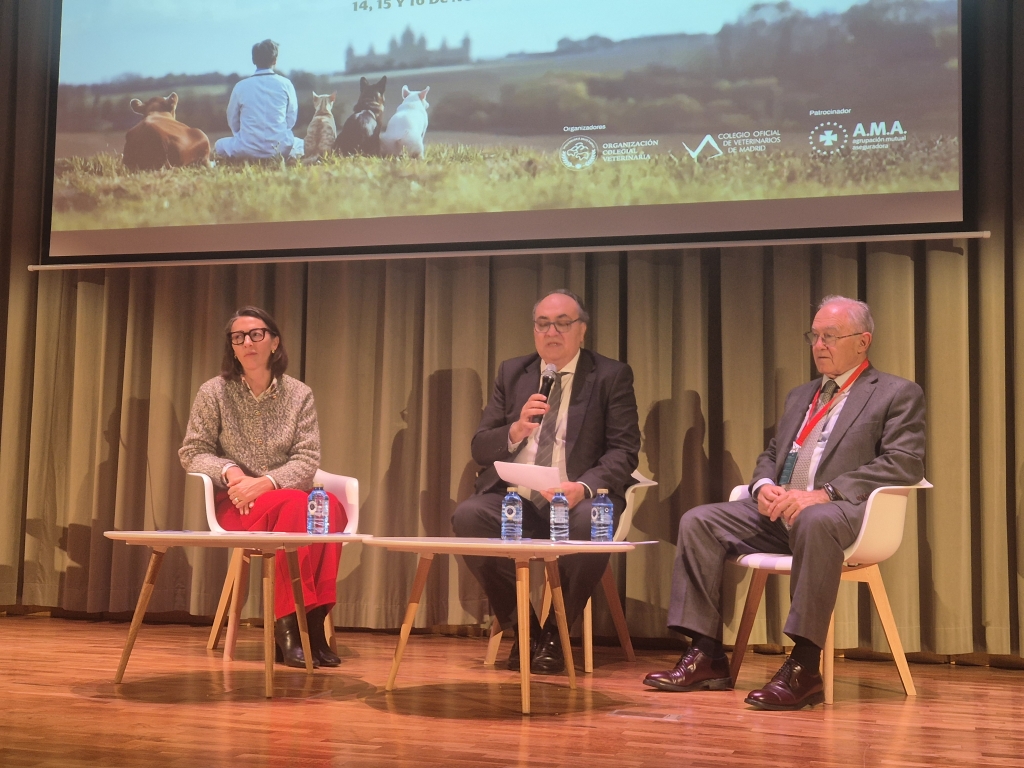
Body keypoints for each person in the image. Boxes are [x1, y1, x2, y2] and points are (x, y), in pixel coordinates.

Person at [643, 296, 926, 710]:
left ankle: (804, 668)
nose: (819, 344)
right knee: (699, 520)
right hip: (781, 513)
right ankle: (706, 654)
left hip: (843, 515)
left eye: (830, 336)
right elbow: (772, 453)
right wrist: (761, 486)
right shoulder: (801, 395)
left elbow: (905, 462)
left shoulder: (896, 393)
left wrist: (825, 493)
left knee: (815, 520)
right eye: (814, 335)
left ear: (863, 342)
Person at [453, 289, 641, 674]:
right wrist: (515, 430)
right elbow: (480, 447)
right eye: (543, 323)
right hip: (519, 499)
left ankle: (556, 631)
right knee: (468, 517)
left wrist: (582, 488)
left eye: (562, 323)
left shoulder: (609, 375)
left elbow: (623, 451)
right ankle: (524, 631)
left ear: (582, 331)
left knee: (593, 521)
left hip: (577, 499)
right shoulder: (513, 372)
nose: (551, 332)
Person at [179, 306, 345, 669]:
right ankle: (288, 625)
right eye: (238, 337)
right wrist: (232, 473)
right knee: (294, 505)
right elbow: (193, 452)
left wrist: (267, 482)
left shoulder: (299, 394)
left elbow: (307, 459)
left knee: (330, 505)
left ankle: (314, 622)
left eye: (256, 334)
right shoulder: (214, 392)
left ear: (274, 342)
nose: (247, 343)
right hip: (235, 504)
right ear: (232, 348)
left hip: (284, 500)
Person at [214, 39, 305, 160]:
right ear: (275, 60)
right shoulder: (286, 84)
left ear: (253, 60)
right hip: (281, 149)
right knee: (301, 144)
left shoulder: (240, 86)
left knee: (219, 145)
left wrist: (242, 136)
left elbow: (232, 118)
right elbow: (291, 119)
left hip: (245, 150)